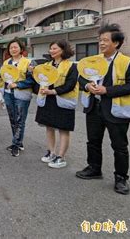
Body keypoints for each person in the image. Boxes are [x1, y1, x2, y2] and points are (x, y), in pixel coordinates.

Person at [76, 24, 130, 195]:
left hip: (116, 109)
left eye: (105, 40)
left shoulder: (128, 62)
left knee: (119, 146)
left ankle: (121, 178)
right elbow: (80, 78)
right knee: (93, 141)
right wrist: (87, 86)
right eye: (100, 40)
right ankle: (94, 168)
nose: (101, 43)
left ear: (116, 43)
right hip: (94, 107)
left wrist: (107, 90)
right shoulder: (93, 60)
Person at [34, 41, 78, 169]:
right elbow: (38, 81)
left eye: (54, 48)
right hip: (48, 100)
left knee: (63, 129)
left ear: (63, 50)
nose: (51, 51)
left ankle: (61, 156)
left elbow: (70, 84)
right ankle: (51, 152)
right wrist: (40, 88)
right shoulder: (46, 65)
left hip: (63, 100)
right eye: (50, 49)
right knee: (49, 127)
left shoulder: (72, 66)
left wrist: (53, 91)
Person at [0, 38, 35, 157]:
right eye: (11, 47)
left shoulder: (28, 62)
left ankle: (16, 144)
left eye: (15, 47)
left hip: (21, 94)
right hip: (8, 93)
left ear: (21, 49)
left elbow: (32, 80)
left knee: (20, 120)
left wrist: (18, 84)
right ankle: (18, 142)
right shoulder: (6, 63)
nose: (13, 49)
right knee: (12, 119)